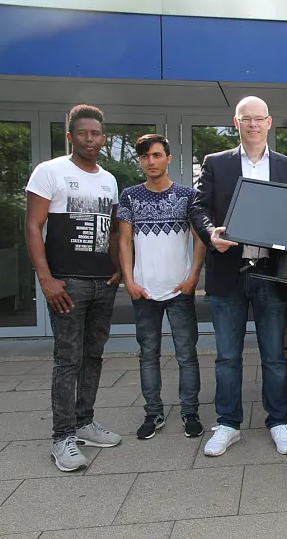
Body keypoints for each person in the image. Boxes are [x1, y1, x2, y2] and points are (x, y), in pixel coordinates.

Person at [190, 96, 287, 456]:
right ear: (235, 122)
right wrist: (211, 234)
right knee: (227, 356)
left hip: (271, 273)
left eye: (258, 118)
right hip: (228, 271)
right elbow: (197, 206)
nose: (252, 124)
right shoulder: (216, 163)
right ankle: (227, 423)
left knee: (273, 355)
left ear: (269, 122)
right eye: (245, 119)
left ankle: (279, 421)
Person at [25, 104, 123, 472]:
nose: (90, 139)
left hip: (102, 283)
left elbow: (111, 230)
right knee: (67, 359)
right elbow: (33, 227)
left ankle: (85, 422)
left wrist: (117, 269)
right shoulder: (49, 171)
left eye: (96, 134)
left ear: (103, 138)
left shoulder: (109, 179)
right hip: (67, 283)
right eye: (82, 133)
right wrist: (46, 279)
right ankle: (62, 437)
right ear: (70, 136)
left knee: (94, 355)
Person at [118, 134, 206, 440]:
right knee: (148, 355)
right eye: (145, 157)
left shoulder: (187, 195)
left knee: (187, 354)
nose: (151, 162)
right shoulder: (129, 196)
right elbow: (124, 240)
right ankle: (152, 413)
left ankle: (190, 411)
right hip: (143, 291)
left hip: (179, 290)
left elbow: (199, 239)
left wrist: (193, 278)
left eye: (156, 155)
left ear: (168, 158)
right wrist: (129, 280)